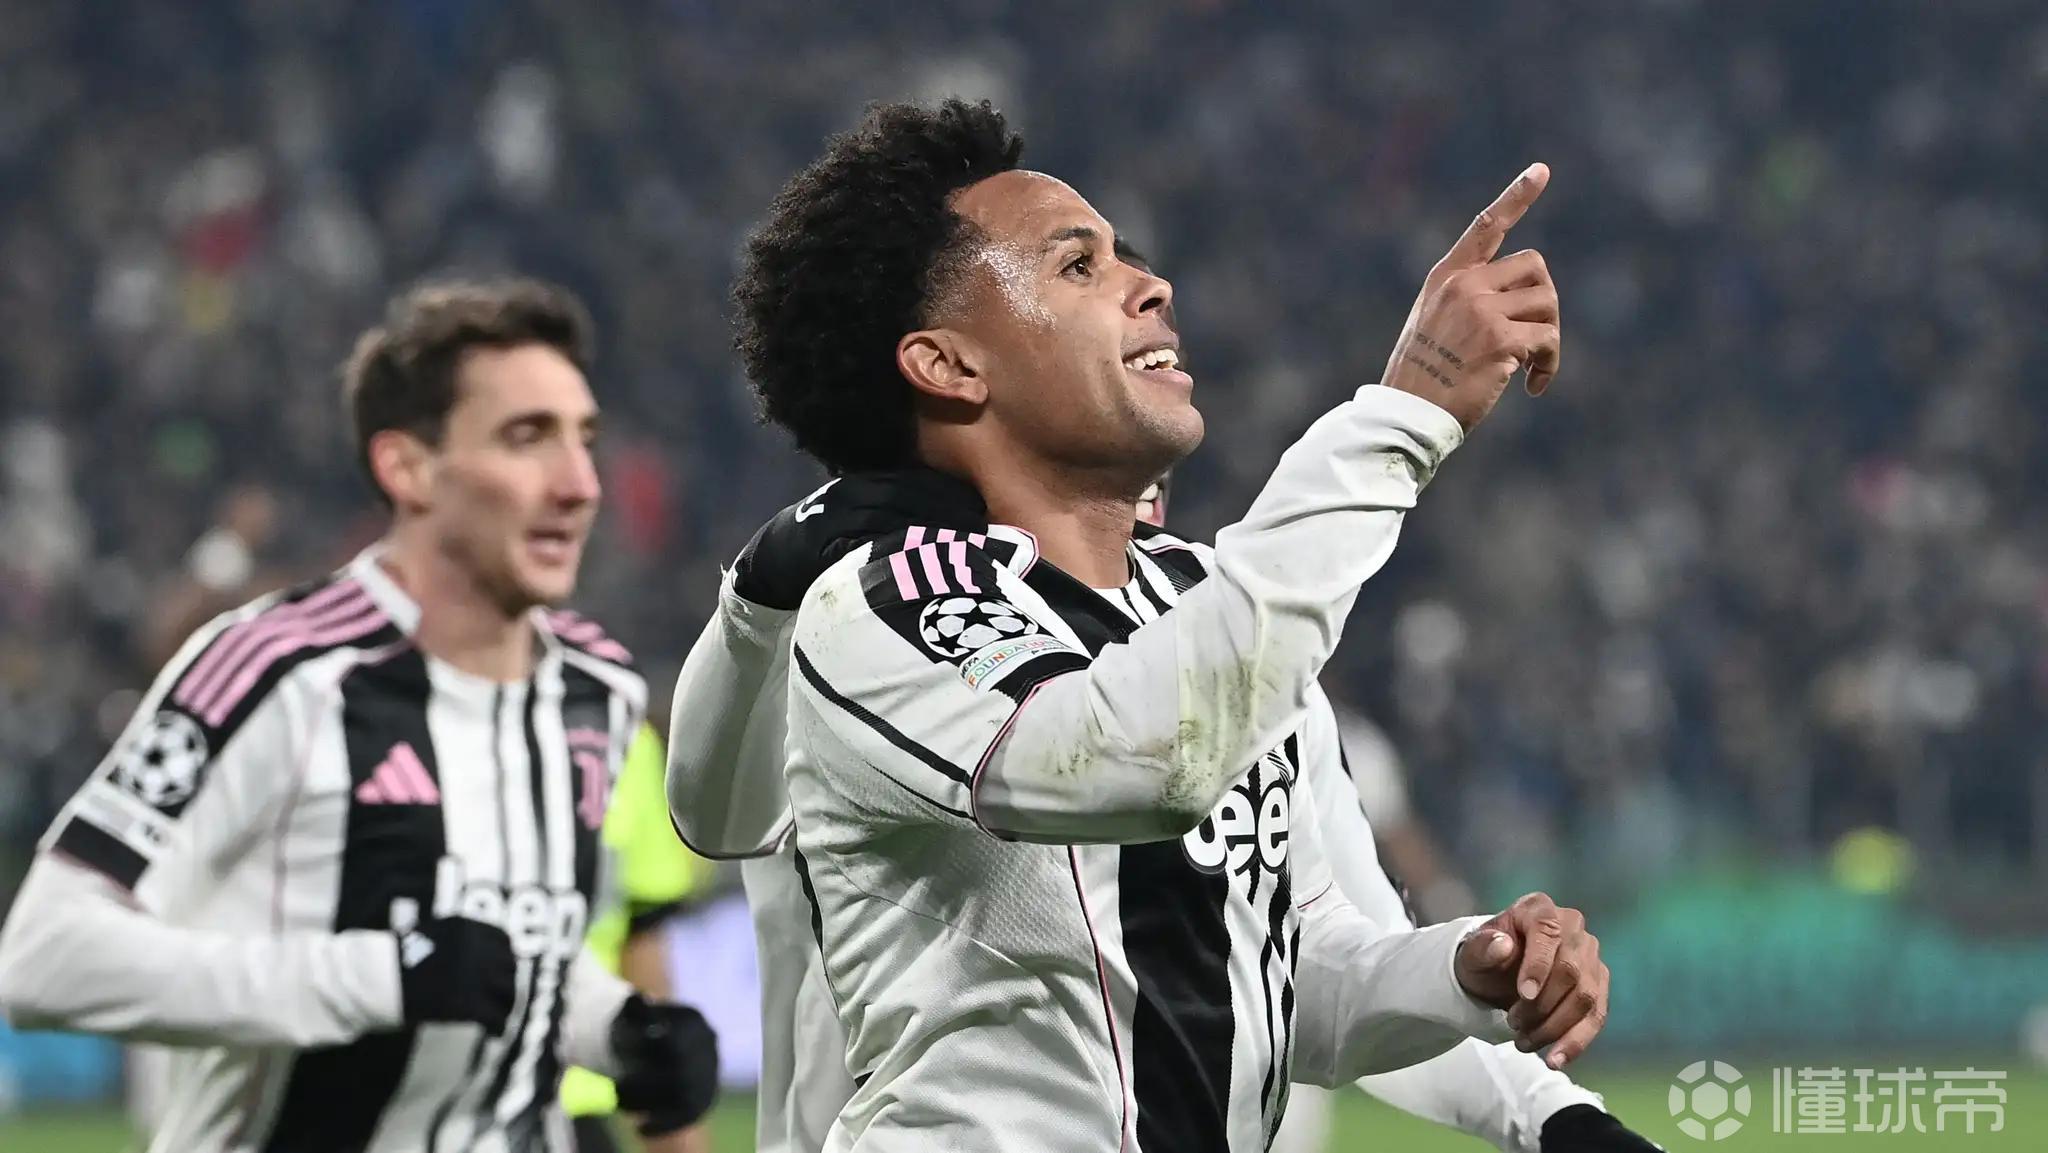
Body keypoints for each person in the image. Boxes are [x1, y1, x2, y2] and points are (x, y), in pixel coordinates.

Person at [700, 97, 1605, 1152]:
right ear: (950, 365)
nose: (1151, 284)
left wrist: (1461, 972)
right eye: (1077, 266)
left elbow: (1286, 983)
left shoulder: (1202, 606)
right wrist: (1406, 410)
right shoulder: (889, 602)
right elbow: (1137, 759)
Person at [0, 278, 718, 1153]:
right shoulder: (277, 672)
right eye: (527, 438)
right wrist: (379, 974)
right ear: (406, 467)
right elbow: (45, 957)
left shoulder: (595, 691)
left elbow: (499, 956)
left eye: (585, 439)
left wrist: (619, 1031)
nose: (579, 484)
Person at [561, 721, 717, 1153]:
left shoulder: (620, 728)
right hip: (414, 1094)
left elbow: (641, 938)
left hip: (572, 1098)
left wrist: (676, 1130)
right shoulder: (393, 717)